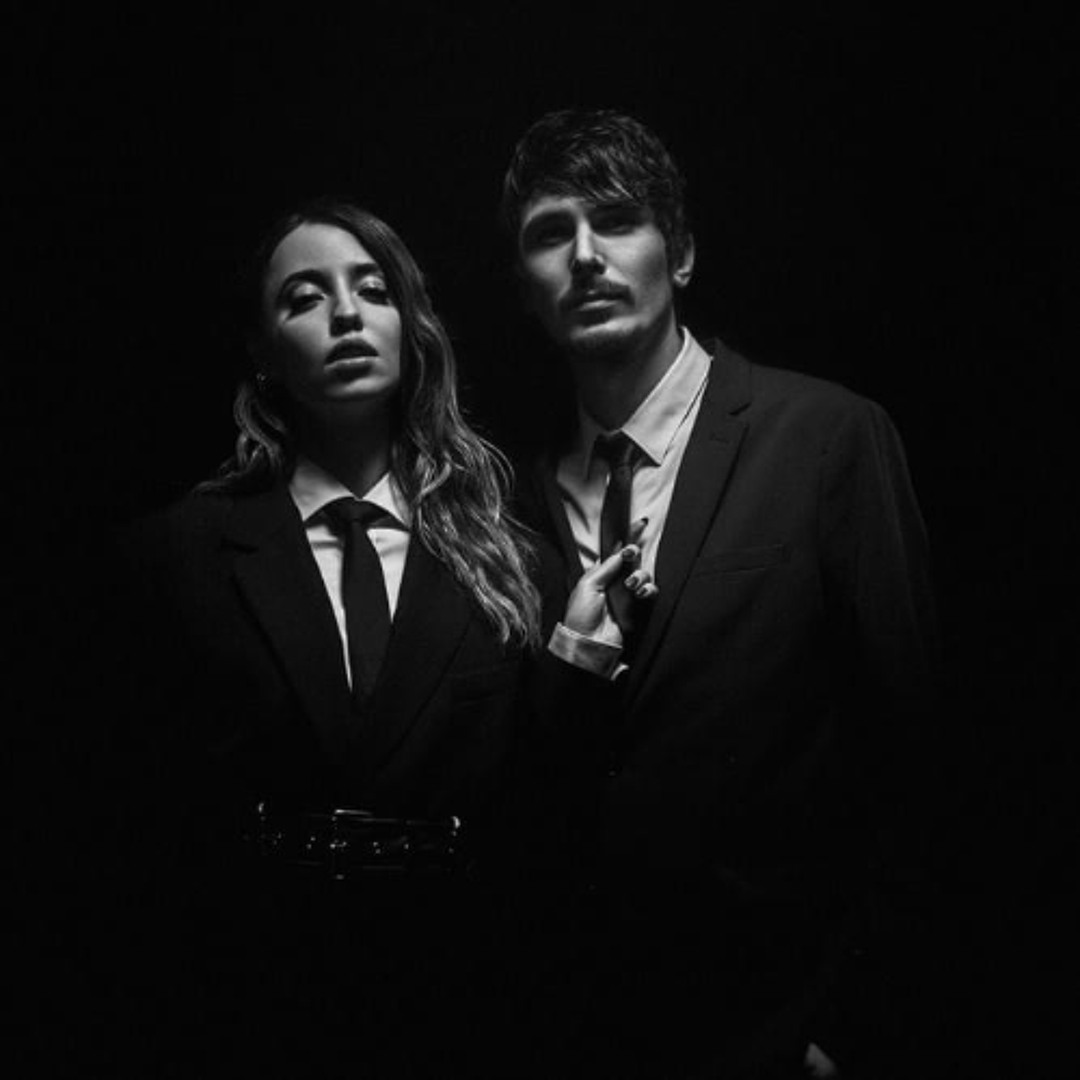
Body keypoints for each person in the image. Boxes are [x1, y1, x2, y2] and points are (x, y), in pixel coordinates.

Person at [87, 198, 653, 1079]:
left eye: (373, 290)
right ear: (263, 350)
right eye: (304, 298)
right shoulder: (174, 557)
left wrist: (576, 661)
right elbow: (122, 836)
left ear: (409, 328)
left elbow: (549, 820)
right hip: (248, 1012)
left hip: (463, 1012)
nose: (346, 314)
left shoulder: (516, 563)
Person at [497, 108, 944, 1079]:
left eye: (618, 220)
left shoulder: (826, 439)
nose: (585, 256)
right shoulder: (500, 500)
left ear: (683, 253)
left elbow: (915, 752)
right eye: (550, 233)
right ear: (525, 288)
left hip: (779, 1032)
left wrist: (849, 1022)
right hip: (576, 1034)